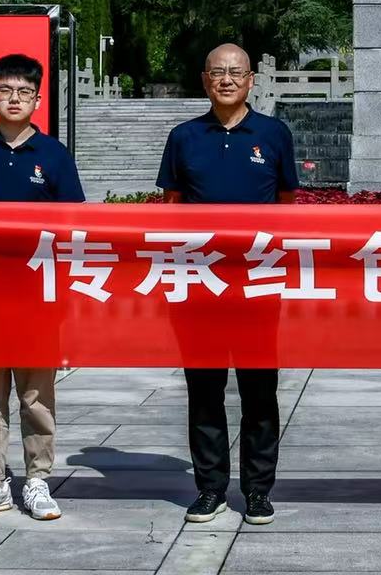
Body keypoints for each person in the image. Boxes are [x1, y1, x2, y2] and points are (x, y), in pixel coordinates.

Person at [157, 43, 298, 527]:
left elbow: (287, 204)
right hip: (200, 282)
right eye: (217, 72)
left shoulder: (274, 134)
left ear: (251, 80)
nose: (227, 79)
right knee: (204, 389)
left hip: (257, 283)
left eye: (236, 72)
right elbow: (171, 207)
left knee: (260, 390)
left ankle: (258, 490)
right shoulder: (184, 137)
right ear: (205, 80)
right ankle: (210, 488)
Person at [0, 53, 85, 523]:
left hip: (38, 295)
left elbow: (72, 225)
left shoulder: (54, 156)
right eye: (6, 90)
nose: (14, 99)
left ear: (38, 100)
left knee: (36, 396)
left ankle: (38, 479)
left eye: (24, 91)